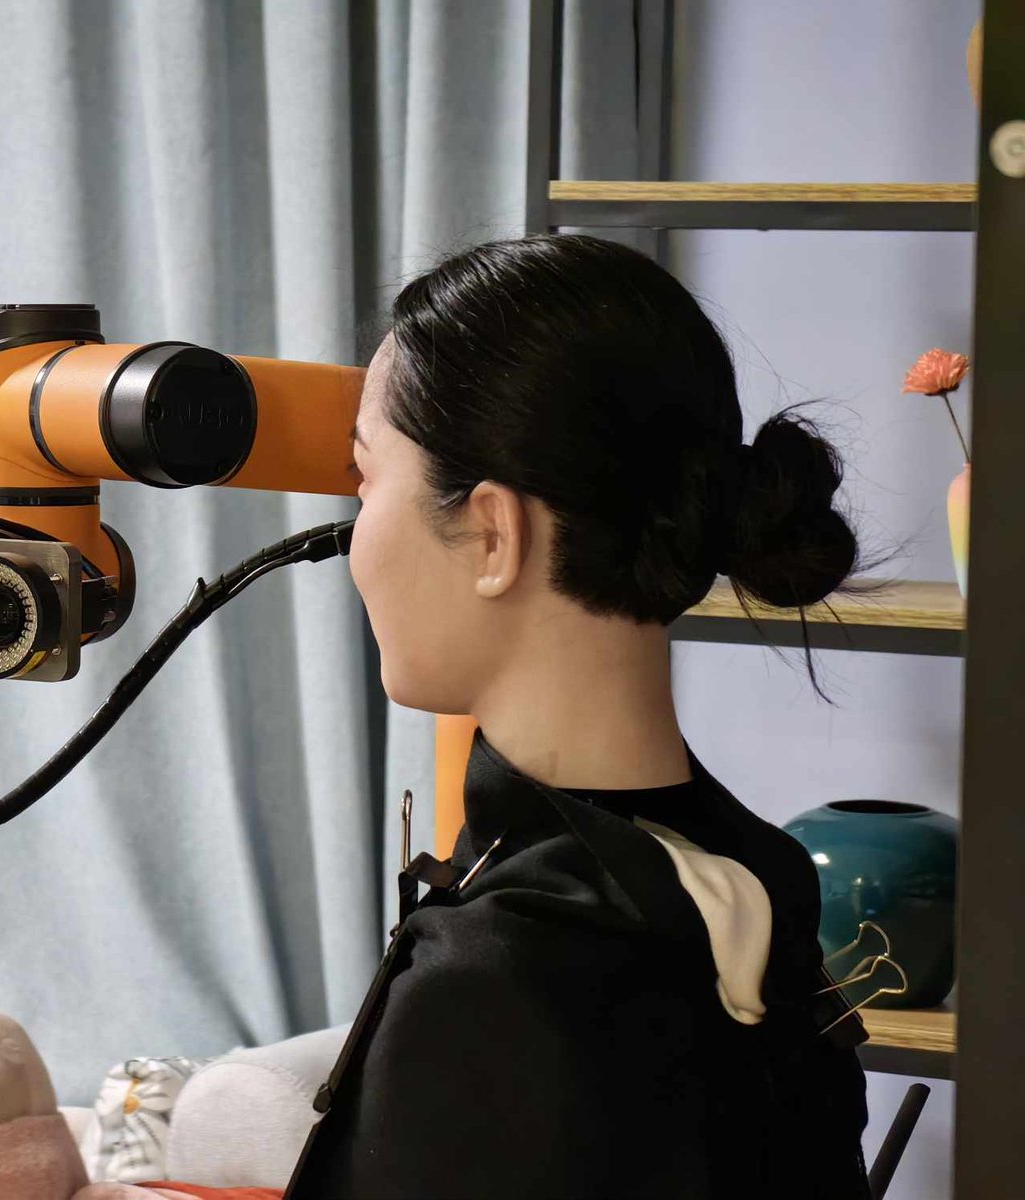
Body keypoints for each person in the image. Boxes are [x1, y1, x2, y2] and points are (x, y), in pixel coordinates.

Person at [286, 234, 870, 1198]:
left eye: (365, 477)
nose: (355, 535)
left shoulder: (494, 987)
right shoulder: (761, 881)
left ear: (492, 533)